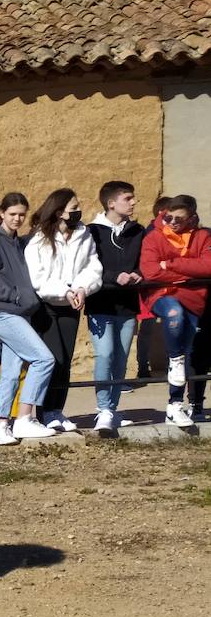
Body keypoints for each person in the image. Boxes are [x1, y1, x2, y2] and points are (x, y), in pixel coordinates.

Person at [0, 192, 56, 445]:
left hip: (17, 312)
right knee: (43, 359)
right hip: (4, 312)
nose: (18, 219)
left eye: (21, 214)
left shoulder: (15, 241)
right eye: (12, 214)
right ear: (2, 213)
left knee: (10, 372)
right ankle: (24, 420)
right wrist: (15, 296)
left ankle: (1, 429)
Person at [24, 188, 102, 432]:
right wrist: (64, 291)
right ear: (59, 211)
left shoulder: (83, 234)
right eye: (73, 208)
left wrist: (81, 288)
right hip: (46, 305)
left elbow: (92, 266)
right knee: (52, 359)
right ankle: (44, 412)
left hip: (71, 306)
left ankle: (57, 410)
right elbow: (38, 277)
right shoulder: (38, 239)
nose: (78, 211)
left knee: (66, 360)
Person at [139, 194, 211, 427]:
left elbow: (207, 266)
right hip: (162, 295)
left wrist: (169, 265)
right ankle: (175, 358)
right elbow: (150, 272)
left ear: (192, 218)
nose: (172, 222)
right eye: (168, 217)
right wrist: (189, 273)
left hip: (192, 298)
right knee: (173, 316)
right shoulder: (153, 237)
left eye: (179, 219)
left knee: (189, 351)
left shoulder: (202, 236)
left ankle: (175, 406)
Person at [86, 181, 145, 433]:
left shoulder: (137, 230)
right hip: (100, 304)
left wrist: (139, 274)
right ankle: (103, 410)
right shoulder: (91, 231)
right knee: (105, 354)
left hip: (127, 305)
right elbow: (88, 264)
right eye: (128, 198)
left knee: (121, 359)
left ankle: (113, 409)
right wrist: (113, 277)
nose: (133, 202)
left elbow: (145, 261)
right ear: (111, 203)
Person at [135, 197, 172, 380]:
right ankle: (143, 367)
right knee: (148, 329)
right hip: (151, 288)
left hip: (167, 287)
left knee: (170, 327)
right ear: (161, 212)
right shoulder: (149, 232)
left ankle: (169, 366)